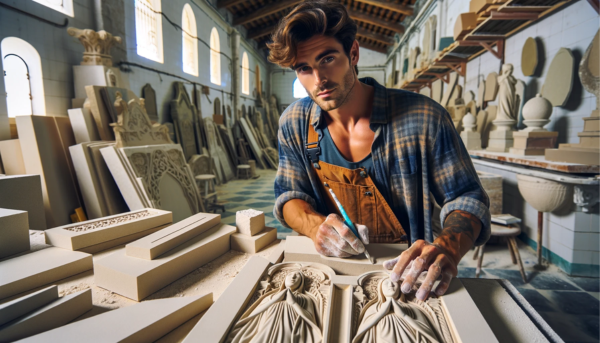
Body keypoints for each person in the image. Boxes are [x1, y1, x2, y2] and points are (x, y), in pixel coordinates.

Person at [269, 0, 490, 301]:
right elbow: (289, 196)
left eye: (328, 59)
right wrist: (316, 227)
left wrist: (448, 248)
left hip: (407, 277)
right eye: (304, 69)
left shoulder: (424, 118)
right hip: (330, 274)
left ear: (353, 54)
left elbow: (467, 197)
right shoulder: (294, 123)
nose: (318, 79)